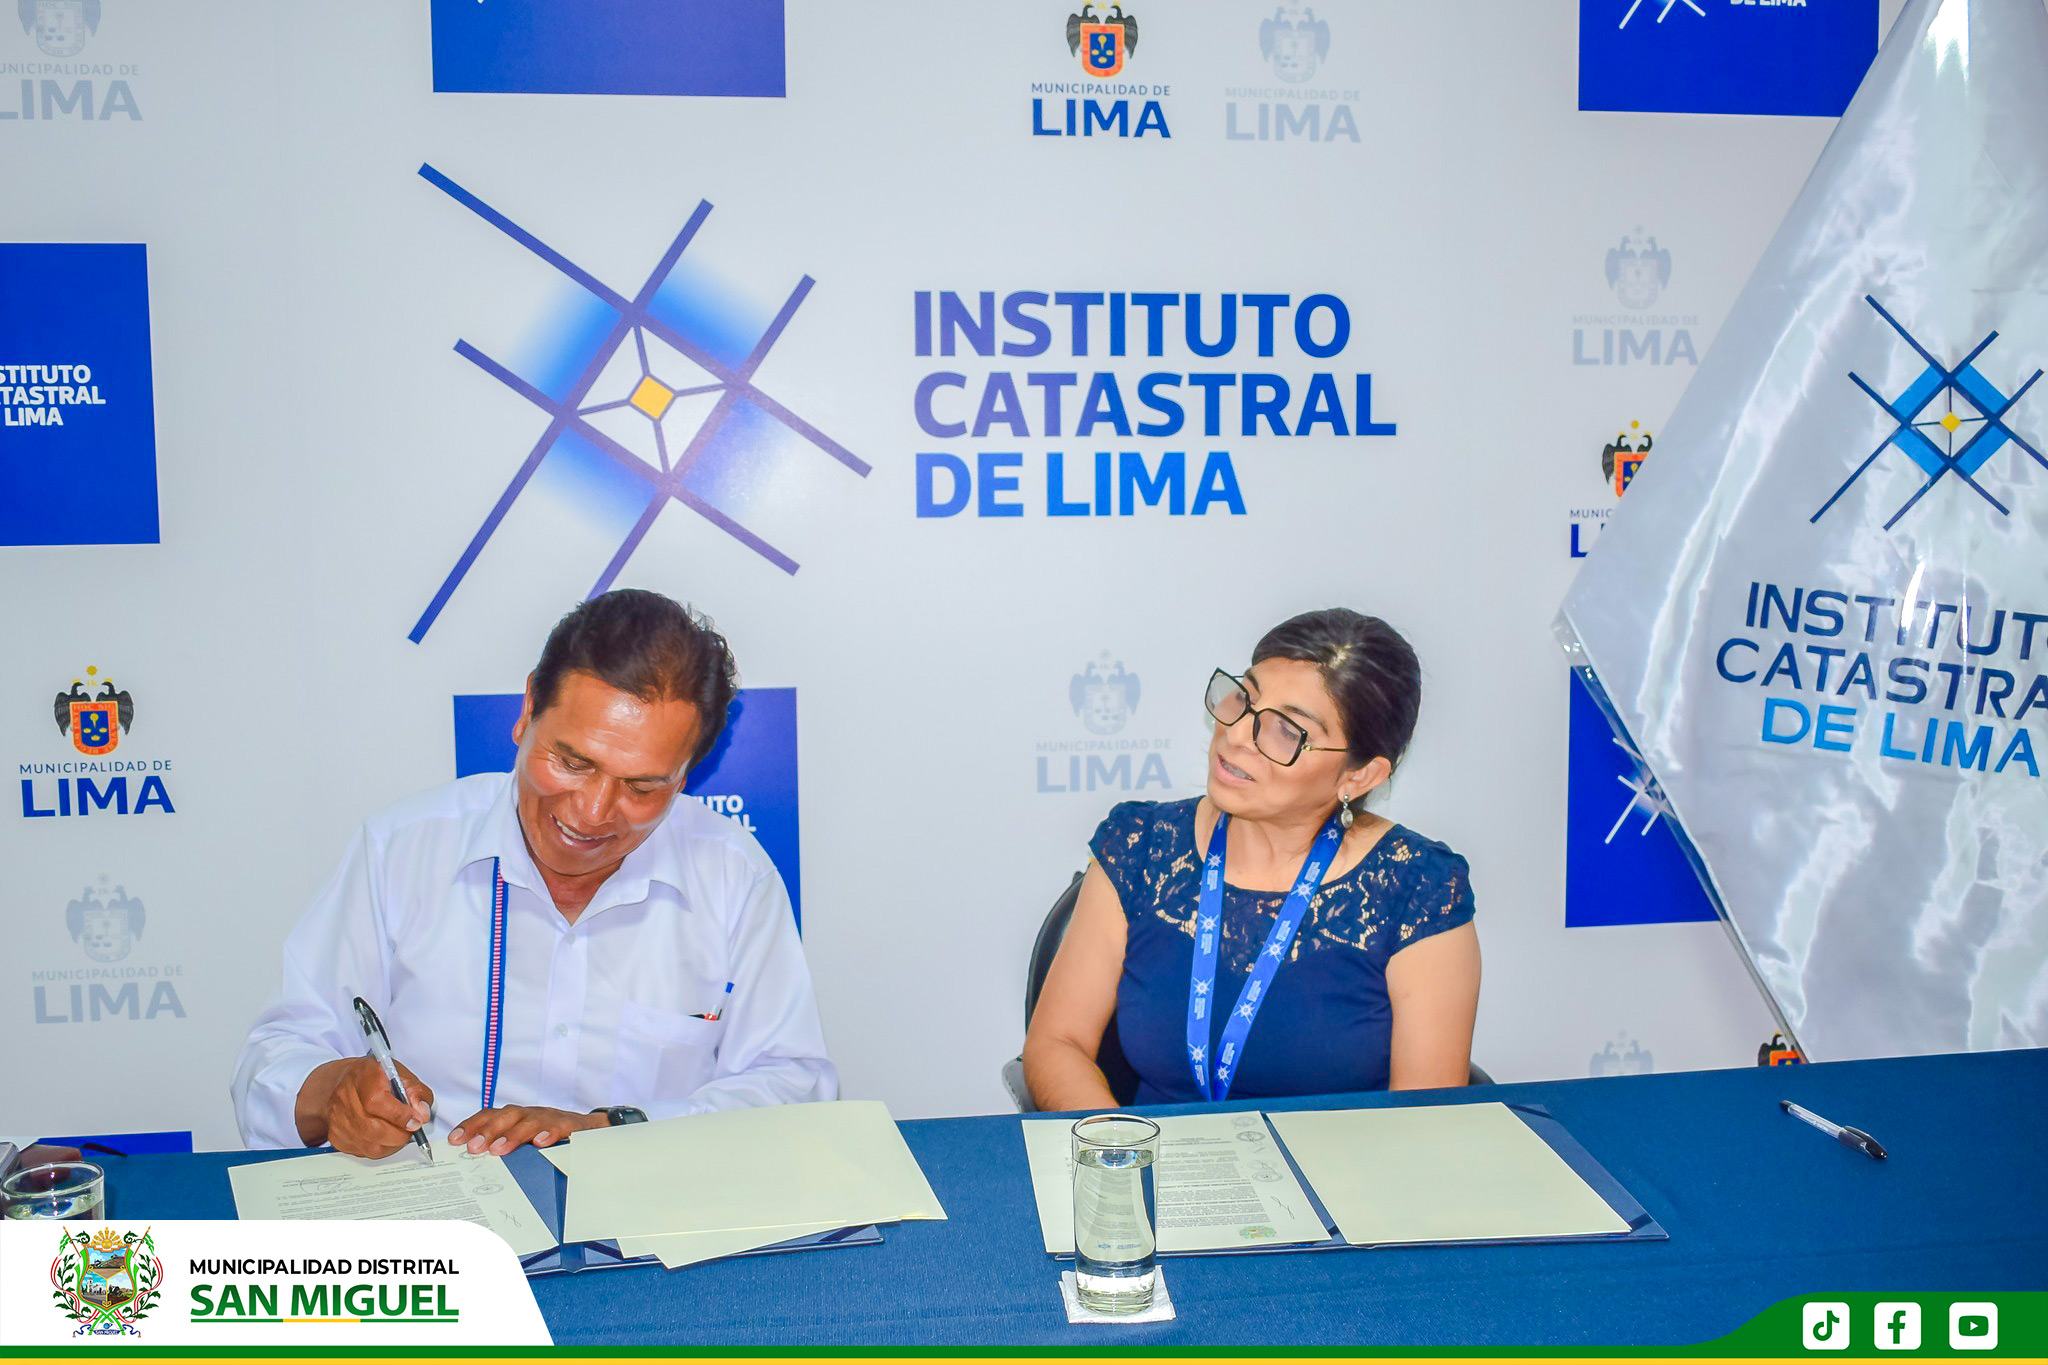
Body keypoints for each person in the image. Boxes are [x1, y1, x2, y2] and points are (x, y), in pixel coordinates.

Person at [232, 589, 836, 1157]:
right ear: (527, 712)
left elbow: (794, 1090)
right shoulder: (402, 849)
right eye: (572, 762)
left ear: (685, 776)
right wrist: (334, 1092)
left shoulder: (734, 877)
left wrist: (611, 1131)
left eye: (642, 787)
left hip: (648, 1220)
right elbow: (273, 1060)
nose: (593, 812)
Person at [1022, 609, 1479, 1109]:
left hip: (1343, 1160)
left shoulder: (1418, 888)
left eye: (1286, 730)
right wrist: (1121, 1147)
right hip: (1153, 1153)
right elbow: (1058, 1043)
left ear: (1359, 776)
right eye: (1245, 698)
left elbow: (1424, 1119)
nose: (1238, 735)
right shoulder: (1141, 846)